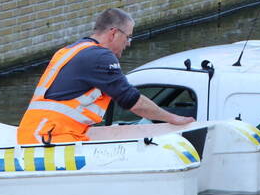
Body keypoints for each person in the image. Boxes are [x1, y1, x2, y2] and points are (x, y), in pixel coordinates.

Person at [17, 8, 195, 145]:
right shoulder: (100, 56)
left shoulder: (70, 51)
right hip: (51, 139)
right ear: (114, 33)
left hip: (35, 134)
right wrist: (173, 118)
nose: (128, 44)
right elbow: (132, 101)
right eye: (128, 37)